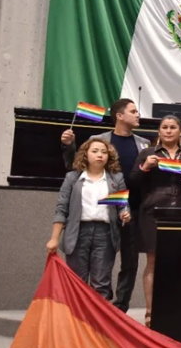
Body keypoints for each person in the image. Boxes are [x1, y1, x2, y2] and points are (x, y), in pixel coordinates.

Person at [60, 98, 149, 313]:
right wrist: (68, 145)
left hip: (132, 209)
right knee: (97, 264)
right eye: (133, 111)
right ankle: (85, 311)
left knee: (129, 263)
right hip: (104, 211)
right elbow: (75, 166)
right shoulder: (98, 140)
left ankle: (119, 310)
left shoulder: (144, 143)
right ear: (119, 116)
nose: (138, 115)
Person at [128, 115, 181, 327]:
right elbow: (132, 182)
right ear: (159, 132)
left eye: (172, 127)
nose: (168, 131)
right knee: (153, 261)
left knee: (179, 262)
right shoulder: (147, 153)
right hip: (153, 210)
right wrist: (145, 167)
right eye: (164, 127)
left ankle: (175, 308)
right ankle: (150, 311)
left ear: (179, 131)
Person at [46, 138, 131, 301]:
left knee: (101, 284)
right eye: (95, 151)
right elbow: (62, 208)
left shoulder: (116, 179)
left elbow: (122, 206)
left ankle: (97, 324)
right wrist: (54, 238)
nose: (100, 155)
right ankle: (76, 323)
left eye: (104, 152)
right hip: (78, 233)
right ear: (85, 154)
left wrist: (125, 214)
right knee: (76, 282)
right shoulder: (73, 177)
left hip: (105, 234)